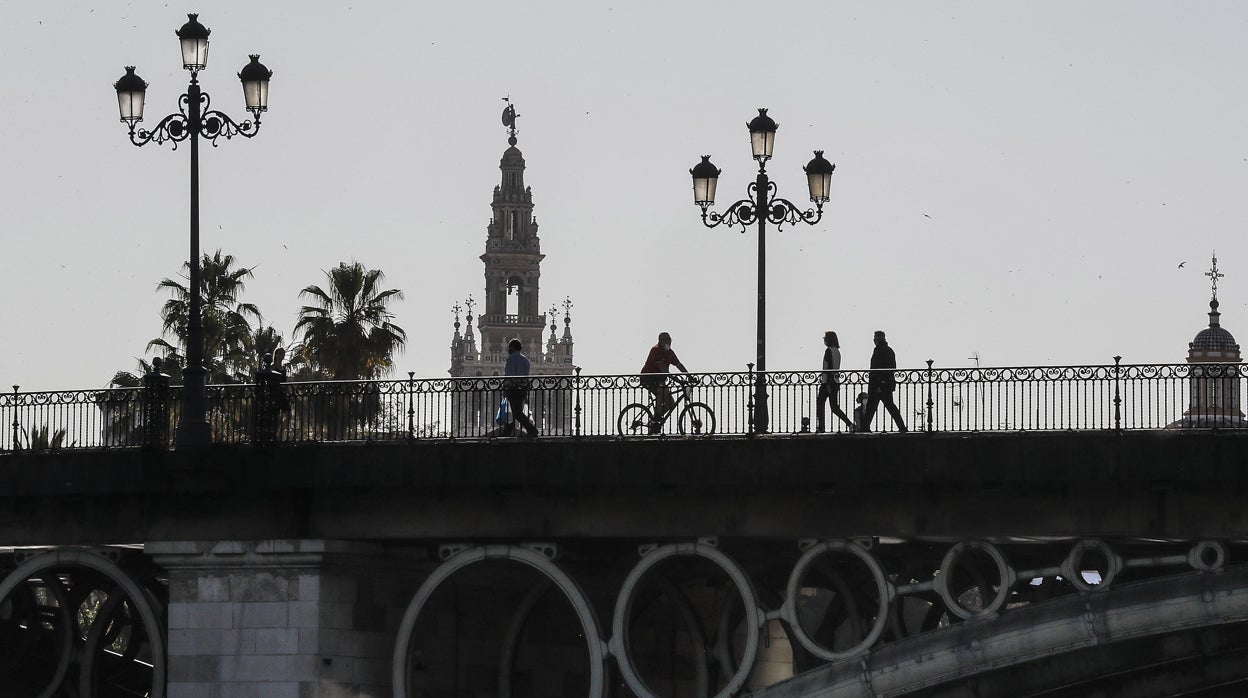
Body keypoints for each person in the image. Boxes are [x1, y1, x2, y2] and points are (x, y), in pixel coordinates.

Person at [640, 331, 688, 432]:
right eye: (666, 340)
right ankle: (656, 419)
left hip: (659, 379)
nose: (669, 342)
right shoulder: (655, 350)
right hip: (648, 378)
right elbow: (662, 368)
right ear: (660, 341)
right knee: (661, 391)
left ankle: (654, 420)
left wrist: (689, 376)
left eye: (670, 340)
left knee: (671, 403)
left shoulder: (669, 352)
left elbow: (679, 365)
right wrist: (675, 379)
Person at [862, 330, 908, 433]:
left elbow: (877, 368)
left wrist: (878, 383)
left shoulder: (879, 351)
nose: (874, 341)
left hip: (878, 384)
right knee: (889, 406)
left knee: (872, 407)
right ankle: (902, 427)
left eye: (874, 339)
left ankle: (865, 427)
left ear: (877, 339)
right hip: (886, 383)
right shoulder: (889, 350)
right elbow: (892, 368)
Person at [816, 331, 855, 433]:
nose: (824, 339)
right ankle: (849, 423)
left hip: (828, 382)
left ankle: (821, 427)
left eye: (825, 338)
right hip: (835, 381)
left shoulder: (828, 351)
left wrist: (828, 382)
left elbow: (828, 368)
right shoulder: (837, 351)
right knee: (834, 407)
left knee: (820, 404)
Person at [501, 338, 539, 437]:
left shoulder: (512, 358)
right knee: (514, 412)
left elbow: (510, 375)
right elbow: (526, 376)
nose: (508, 349)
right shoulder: (525, 360)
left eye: (509, 347)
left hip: (514, 389)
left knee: (516, 412)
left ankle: (531, 429)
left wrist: (506, 388)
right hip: (523, 388)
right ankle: (506, 432)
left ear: (512, 347)